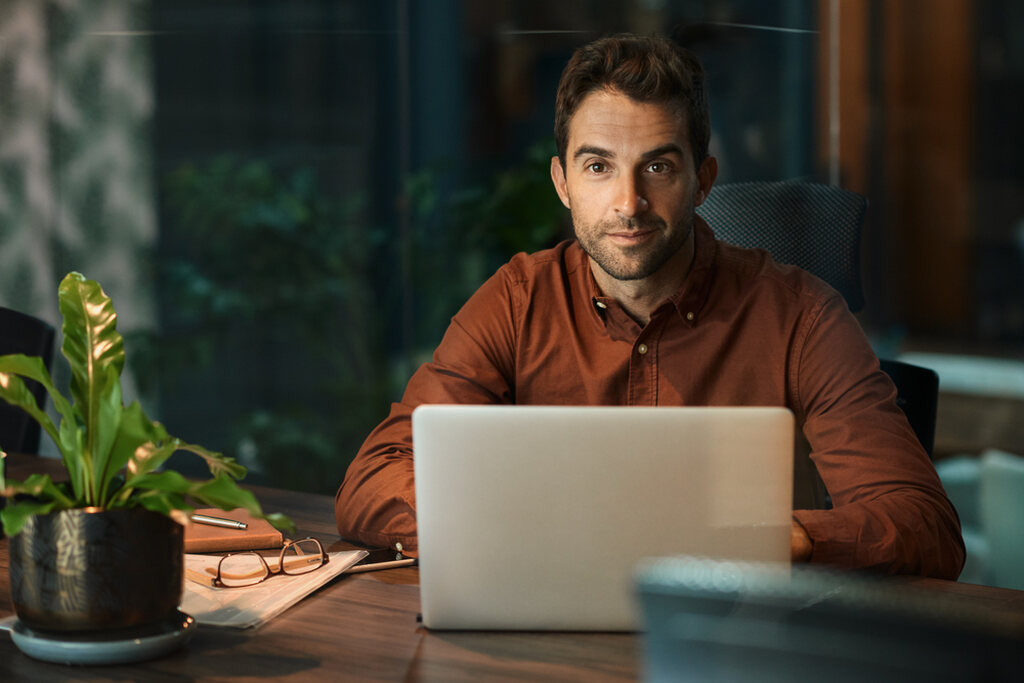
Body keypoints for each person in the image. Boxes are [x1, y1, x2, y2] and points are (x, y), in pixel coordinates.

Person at [335, 33, 965, 579]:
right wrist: (540, 527)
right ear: (562, 183)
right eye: (598, 167)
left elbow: (921, 524)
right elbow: (372, 482)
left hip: (728, 642)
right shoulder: (516, 301)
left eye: (658, 166)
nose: (628, 203)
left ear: (703, 180)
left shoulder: (802, 316)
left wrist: (770, 538)